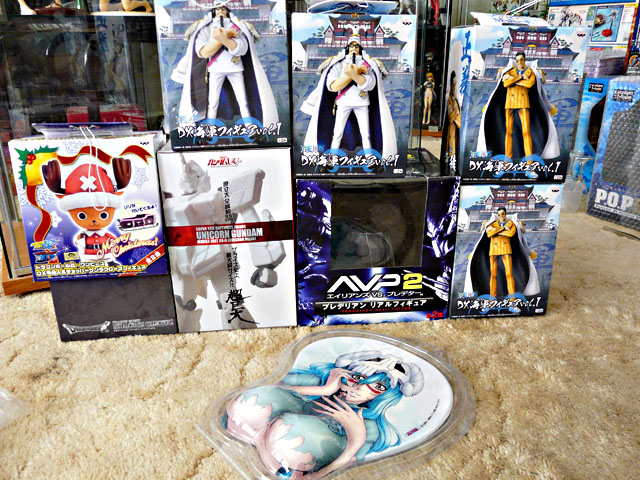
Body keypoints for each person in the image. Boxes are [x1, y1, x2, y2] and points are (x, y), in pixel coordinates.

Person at [225, 351, 424, 479]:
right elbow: (270, 390)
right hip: (254, 440)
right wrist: (322, 390)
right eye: (357, 377)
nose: (358, 387)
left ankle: (264, 444)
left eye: (377, 387)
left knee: (296, 433)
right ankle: (260, 442)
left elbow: (338, 469)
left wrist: (355, 441)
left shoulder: (368, 426)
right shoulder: (319, 382)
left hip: (292, 467)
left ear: (386, 395)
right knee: (258, 400)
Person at [172, 0, 278, 127]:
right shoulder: (206, 28)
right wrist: (222, 38)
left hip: (235, 68)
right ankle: (209, 129)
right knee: (212, 103)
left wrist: (225, 38)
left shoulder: (237, 26)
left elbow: (243, 48)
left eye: (223, 8)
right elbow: (203, 52)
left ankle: (250, 127)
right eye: (218, 9)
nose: (220, 11)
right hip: (215, 68)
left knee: (243, 101)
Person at [301, 35, 396, 160]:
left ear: (360, 47)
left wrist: (355, 74)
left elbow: (371, 84)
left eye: (356, 45)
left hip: (362, 102)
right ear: (347, 47)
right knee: (337, 133)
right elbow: (333, 86)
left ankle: (369, 158)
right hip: (343, 101)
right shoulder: (337, 64)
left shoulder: (368, 64)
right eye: (351, 45)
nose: (354, 48)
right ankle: (332, 158)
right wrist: (352, 74)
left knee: (366, 134)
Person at [477, 52, 559, 169]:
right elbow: (506, 83)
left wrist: (513, 80)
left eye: (521, 60)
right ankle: (506, 162)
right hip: (509, 103)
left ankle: (529, 163)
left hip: (523, 103)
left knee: (526, 133)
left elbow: (529, 84)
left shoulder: (530, 72)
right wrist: (520, 78)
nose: (519, 62)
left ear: (524, 60)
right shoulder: (510, 72)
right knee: (508, 133)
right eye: (517, 60)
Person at [464, 207, 540, 309]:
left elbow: (511, 233)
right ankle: (491, 301)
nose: (501, 216)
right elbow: (489, 234)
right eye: (499, 214)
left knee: (509, 275)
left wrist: (496, 231)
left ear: (505, 213)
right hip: (493, 251)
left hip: (506, 250)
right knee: (493, 275)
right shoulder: (493, 224)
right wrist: (502, 229)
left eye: (503, 214)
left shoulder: (511, 224)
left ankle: (512, 302)